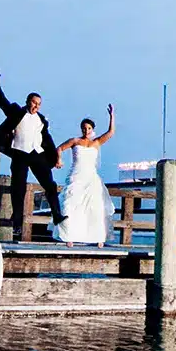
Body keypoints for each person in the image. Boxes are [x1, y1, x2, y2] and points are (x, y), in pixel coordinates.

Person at [0, 68, 66, 230]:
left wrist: (56, 157)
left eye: (39, 104)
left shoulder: (42, 120)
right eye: (34, 102)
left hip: (37, 154)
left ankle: (57, 215)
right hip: (20, 153)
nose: (36, 106)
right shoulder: (17, 112)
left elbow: (47, 140)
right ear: (28, 101)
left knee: (50, 185)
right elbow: (3, 103)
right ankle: (17, 223)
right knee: (18, 188)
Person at [52, 105, 117, 246]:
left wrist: (112, 116)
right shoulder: (75, 141)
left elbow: (111, 132)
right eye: (84, 128)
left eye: (89, 128)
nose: (86, 131)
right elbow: (59, 148)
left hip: (91, 177)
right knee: (70, 204)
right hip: (76, 175)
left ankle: (98, 238)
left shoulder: (96, 142)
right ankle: (69, 236)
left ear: (92, 129)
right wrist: (59, 160)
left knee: (95, 206)